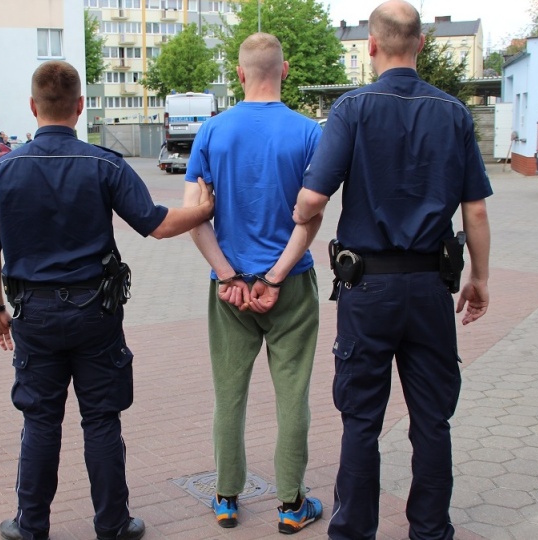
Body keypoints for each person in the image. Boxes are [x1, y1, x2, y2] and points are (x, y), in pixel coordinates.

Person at [0, 60, 214, 540]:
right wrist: (203, 209)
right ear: (80, 107)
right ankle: (113, 525)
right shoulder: (105, 164)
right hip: (96, 312)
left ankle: (31, 524)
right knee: (101, 419)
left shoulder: (3, 170)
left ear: (32, 106)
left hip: (34, 314)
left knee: (40, 420)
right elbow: (158, 224)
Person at [292, 2, 492, 539]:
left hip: (368, 289)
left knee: (362, 420)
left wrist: (301, 212)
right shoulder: (453, 112)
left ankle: (354, 531)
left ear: (373, 47)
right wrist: (480, 277)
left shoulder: (351, 109)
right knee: (432, 418)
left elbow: (313, 197)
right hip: (430, 287)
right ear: (421, 44)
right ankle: (429, 530)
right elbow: (475, 208)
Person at [182, 32, 324, 534]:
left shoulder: (211, 132)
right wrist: (275, 276)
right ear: (284, 71)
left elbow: (193, 216)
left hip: (229, 290)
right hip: (290, 287)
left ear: (240, 74)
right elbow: (312, 217)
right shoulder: (311, 134)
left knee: (229, 393)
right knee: (293, 396)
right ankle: (290, 505)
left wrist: (229, 275)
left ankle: (225, 497)